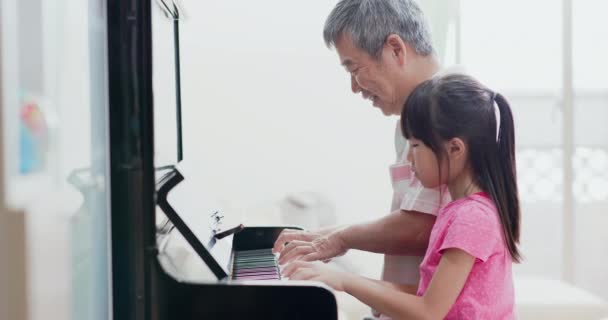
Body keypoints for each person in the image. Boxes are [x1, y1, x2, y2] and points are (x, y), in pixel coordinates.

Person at [283, 74, 521, 319]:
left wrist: (345, 281)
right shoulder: (462, 211)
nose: (409, 159)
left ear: (455, 149)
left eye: (415, 146)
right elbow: (425, 296)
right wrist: (339, 280)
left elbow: (428, 312)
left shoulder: (471, 218)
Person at [273, 1, 450, 316]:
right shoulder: (415, 117)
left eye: (354, 68)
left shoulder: (453, 110)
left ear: (395, 49)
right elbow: (415, 214)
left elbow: (425, 227)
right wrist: (328, 236)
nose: (355, 88)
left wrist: (339, 241)